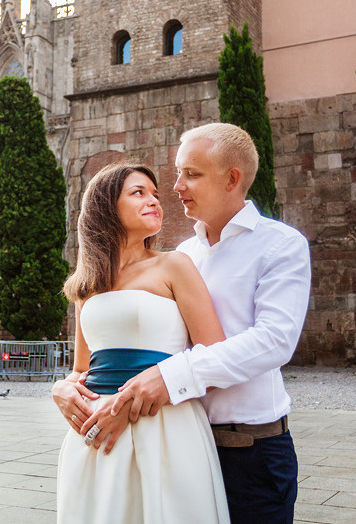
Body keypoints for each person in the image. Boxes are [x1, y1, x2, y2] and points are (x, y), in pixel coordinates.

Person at [68, 123, 311, 523]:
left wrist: (169, 377)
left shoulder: (280, 245)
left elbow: (275, 341)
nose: (176, 185)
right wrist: (66, 387)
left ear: (232, 178)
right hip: (173, 437)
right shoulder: (183, 254)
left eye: (191, 174)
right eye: (179, 173)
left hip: (249, 449)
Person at [53, 163, 229, 523]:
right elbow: (81, 369)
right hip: (97, 432)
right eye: (139, 193)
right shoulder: (89, 283)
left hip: (163, 426)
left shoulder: (174, 266)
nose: (154, 201)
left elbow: (215, 353)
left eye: (155, 194)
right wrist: (61, 389)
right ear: (105, 206)